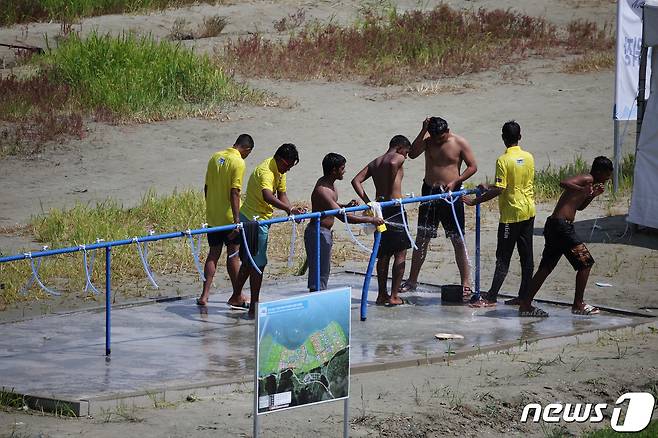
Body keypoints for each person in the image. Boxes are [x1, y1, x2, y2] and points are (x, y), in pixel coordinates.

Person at [518, 156, 613, 317]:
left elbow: (580, 206)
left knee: (546, 267)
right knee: (585, 263)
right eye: (607, 175)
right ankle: (578, 304)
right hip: (562, 227)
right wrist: (583, 189)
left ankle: (525, 305)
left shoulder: (589, 184)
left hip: (556, 226)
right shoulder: (586, 178)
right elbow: (563, 182)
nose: (608, 178)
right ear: (599, 172)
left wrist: (592, 195)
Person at [401, 117, 477, 298]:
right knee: (422, 238)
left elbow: (473, 167)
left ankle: (466, 282)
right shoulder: (427, 141)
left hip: (452, 195)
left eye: (441, 138)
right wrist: (423, 130)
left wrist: (456, 181)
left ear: (448, 130)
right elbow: (412, 154)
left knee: (457, 239)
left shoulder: (459, 142)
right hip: (429, 192)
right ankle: (412, 280)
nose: (438, 141)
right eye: (434, 137)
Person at [463, 121, 535, 307]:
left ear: (503, 138)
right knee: (527, 257)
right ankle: (524, 296)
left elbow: (500, 190)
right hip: (529, 211)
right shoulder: (528, 157)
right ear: (520, 136)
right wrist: (488, 186)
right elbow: (513, 183)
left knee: (503, 256)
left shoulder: (503, 160)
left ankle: (492, 296)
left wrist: (475, 201)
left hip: (511, 215)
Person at [234, 143, 305, 318]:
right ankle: (254, 308)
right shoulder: (265, 171)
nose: (288, 170)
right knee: (259, 265)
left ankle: (235, 296)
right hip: (253, 220)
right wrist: (289, 210)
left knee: (250, 262)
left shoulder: (280, 171)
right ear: (281, 160)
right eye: (288, 166)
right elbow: (268, 196)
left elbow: (282, 195)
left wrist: (292, 211)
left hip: (264, 218)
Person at [305, 153, 385, 292]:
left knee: (324, 270)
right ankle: (316, 299)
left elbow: (332, 206)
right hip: (317, 232)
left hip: (324, 232)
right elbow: (343, 218)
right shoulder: (322, 190)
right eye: (342, 168)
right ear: (334, 170)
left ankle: (319, 295)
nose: (344, 171)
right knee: (319, 273)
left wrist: (347, 206)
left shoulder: (330, 185)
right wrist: (371, 219)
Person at [352, 135, 413, 306]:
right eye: (406, 152)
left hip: (379, 209)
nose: (406, 157)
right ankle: (394, 296)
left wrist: (369, 202)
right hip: (394, 208)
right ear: (400, 147)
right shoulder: (397, 158)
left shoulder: (376, 162)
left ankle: (381, 294)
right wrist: (387, 191)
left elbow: (355, 180)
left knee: (383, 253)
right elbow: (394, 163)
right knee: (400, 252)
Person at [197, 134, 254, 308]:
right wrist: (237, 220)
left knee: (213, 254)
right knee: (233, 255)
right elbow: (235, 192)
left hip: (213, 217)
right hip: (230, 218)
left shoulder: (215, 157)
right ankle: (237, 295)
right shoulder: (238, 162)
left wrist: (211, 207)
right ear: (247, 149)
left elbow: (206, 187)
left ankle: (204, 296)